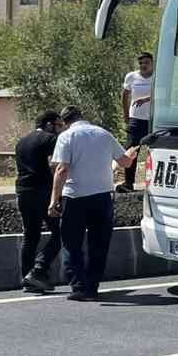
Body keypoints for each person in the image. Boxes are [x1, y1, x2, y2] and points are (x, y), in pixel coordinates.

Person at [49, 106, 133, 302]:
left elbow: (62, 169)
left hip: (75, 197)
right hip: (103, 197)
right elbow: (126, 163)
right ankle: (92, 286)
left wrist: (54, 200)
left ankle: (79, 287)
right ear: (82, 116)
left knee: (72, 243)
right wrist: (130, 154)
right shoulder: (103, 134)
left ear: (64, 122)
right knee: (99, 244)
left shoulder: (67, 137)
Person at [15, 109, 63, 293]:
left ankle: (27, 278)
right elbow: (54, 166)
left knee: (30, 235)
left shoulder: (21, 142)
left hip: (23, 191)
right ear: (48, 124)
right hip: (43, 192)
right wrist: (57, 194)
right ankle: (37, 271)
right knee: (60, 234)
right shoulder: (50, 139)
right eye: (58, 125)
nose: (60, 129)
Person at [119, 51, 155, 192]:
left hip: (152, 120)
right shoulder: (132, 77)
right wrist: (126, 114)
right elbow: (125, 95)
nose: (143, 65)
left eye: (146, 63)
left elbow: (162, 94)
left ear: (152, 63)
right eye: (141, 63)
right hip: (136, 119)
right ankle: (129, 183)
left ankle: (150, 183)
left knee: (151, 151)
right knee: (132, 150)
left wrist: (146, 99)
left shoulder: (157, 77)